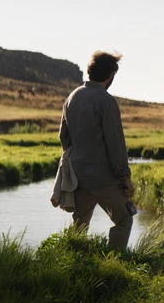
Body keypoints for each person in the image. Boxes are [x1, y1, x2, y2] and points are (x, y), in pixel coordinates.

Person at [57, 51, 134, 250]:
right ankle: (115, 263)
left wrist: (76, 159)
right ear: (111, 75)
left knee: (80, 223)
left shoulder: (73, 96)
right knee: (124, 219)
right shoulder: (106, 101)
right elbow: (115, 144)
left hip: (78, 173)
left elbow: (63, 137)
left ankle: (73, 261)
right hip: (103, 177)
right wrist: (125, 177)